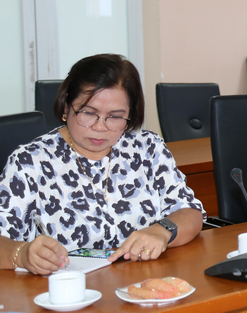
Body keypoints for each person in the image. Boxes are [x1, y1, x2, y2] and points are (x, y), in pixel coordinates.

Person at [0, 54, 205, 275]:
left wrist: (162, 231)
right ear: (66, 106)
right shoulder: (31, 162)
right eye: (89, 113)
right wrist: (22, 253)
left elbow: (190, 212)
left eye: (115, 116)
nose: (100, 127)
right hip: (70, 290)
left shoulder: (148, 148)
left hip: (142, 282)